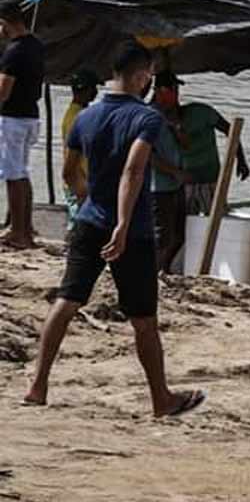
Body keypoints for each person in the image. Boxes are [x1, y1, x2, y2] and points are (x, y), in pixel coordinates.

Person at [22, 42, 205, 417]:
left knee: (67, 301)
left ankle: (38, 385)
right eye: (148, 77)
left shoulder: (85, 118)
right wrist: (122, 222)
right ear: (140, 76)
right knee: (143, 320)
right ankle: (161, 399)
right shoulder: (146, 118)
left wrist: (90, 198)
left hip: (88, 221)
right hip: (131, 231)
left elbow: (69, 172)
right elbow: (134, 170)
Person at [0, 0, 45, 250]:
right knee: (22, 173)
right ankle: (23, 228)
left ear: (5, 23)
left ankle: (19, 233)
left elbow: (3, 93)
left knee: (13, 176)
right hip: (30, 116)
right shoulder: (35, 45)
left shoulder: (14, 51)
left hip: (13, 119)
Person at [173, 75, 250, 215]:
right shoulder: (156, 118)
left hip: (209, 179)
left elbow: (231, 131)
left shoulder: (202, 112)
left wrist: (241, 159)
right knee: (185, 224)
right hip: (183, 183)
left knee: (218, 219)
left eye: (174, 90)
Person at [149, 71, 188, 274]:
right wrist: (174, 171)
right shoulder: (151, 116)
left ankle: (163, 270)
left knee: (178, 234)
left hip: (174, 184)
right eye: (173, 90)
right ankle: (152, 273)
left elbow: (184, 146)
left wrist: (176, 129)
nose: (177, 94)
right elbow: (148, 156)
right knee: (162, 235)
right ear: (162, 91)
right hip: (159, 186)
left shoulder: (167, 117)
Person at [60, 69, 99, 230]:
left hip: (81, 178)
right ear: (88, 90)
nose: (96, 92)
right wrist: (81, 183)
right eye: (94, 88)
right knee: (78, 224)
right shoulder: (76, 117)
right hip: (79, 180)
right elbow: (73, 155)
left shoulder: (78, 114)